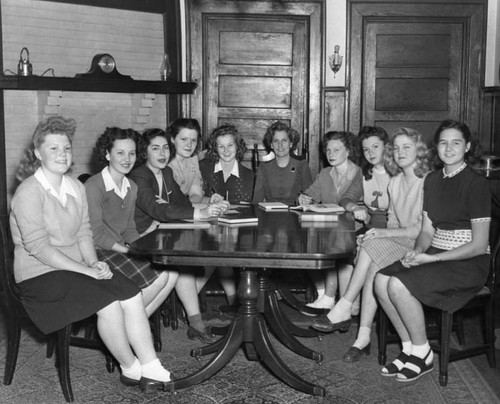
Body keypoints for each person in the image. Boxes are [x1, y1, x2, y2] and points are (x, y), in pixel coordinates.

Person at [10, 116, 171, 393]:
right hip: (38, 275)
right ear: (38, 153)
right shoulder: (28, 192)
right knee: (107, 302)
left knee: (130, 291)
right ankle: (131, 368)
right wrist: (85, 270)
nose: (62, 155)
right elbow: (39, 248)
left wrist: (93, 262)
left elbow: (85, 233)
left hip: (73, 267)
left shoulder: (74, 187)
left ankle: (151, 365)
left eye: (66, 149)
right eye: (54, 149)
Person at [374, 120, 490, 382]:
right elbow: (427, 230)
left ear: (467, 146)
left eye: (456, 142)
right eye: (443, 142)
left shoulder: (476, 184)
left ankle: (423, 352)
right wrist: (417, 251)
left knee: (398, 286)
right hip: (436, 251)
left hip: (468, 262)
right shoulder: (433, 180)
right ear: (436, 146)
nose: (449, 148)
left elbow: (479, 245)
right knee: (381, 280)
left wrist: (433, 257)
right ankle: (410, 349)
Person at [311, 128, 430, 366]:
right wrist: (359, 212)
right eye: (366, 149)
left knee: (370, 245)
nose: (370, 152)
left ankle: (346, 307)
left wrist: (383, 233)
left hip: (415, 242)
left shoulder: (426, 181)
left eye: (376, 147)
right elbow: (386, 216)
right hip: (388, 235)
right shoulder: (389, 180)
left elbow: (420, 229)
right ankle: (360, 334)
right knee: (372, 256)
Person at [128, 128, 225, 343]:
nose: (162, 153)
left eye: (165, 148)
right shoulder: (139, 175)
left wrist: (210, 202)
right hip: (139, 239)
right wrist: (199, 213)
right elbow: (159, 210)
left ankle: (192, 318)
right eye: (155, 148)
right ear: (145, 152)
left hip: (159, 232)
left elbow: (179, 204)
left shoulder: (165, 173)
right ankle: (195, 322)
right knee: (183, 262)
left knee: (209, 247)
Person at [85, 127, 178, 319]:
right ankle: (125, 324)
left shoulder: (131, 186)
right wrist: (130, 251)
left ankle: (129, 325)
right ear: (107, 154)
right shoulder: (94, 186)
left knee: (172, 271)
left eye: (132, 153)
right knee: (160, 274)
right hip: (96, 253)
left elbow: (129, 229)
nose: (127, 159)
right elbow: (96, 235)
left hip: (118, 247)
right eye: (120, 153)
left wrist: (141, 248)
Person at [297, 131, 362, 312]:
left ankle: (328, 297)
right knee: (303, 243)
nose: (331, 154)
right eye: (328, 150)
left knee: (328, 242)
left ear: (348, 151)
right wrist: (304, 198)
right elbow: (310, 194)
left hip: (353, 229)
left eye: (336, 150)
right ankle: (324, 293)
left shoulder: (360, 174)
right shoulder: (325, 173)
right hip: (329, 227)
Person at [199, 124, 255, 309]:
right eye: (220, 146)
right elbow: (192, 197)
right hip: (204, 226)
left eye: (230, 145)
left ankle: (233, 299)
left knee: (225, 246)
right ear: (214, 149)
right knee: (217, 247)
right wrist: (208, 200)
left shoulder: (249, 175)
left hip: (238, 230)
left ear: (238, 147)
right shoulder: (204, 169)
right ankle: (233, 300)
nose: (226, 150)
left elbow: (249, 207)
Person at [252, 121, 312, 205]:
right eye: (276, 141)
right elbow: (256, 202)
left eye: (284, 140)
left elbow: (311, 199)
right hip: (269, 216)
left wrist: (302, 200)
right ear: (272, 145)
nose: (280, 144)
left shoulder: (302, 166)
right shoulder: (263, 168)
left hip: (294, 216)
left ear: (291, 143)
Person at [167, 118, 210, 204]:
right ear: (172, 139)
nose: (189, 145)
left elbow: (196, 194)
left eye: (193, 140)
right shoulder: (165, 163)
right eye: (184, 139)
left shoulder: (192, 160)